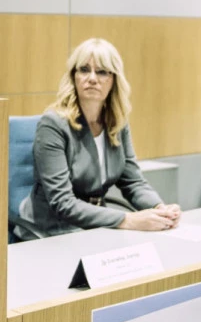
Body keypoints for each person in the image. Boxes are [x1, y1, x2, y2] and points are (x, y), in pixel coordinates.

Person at [15, 38, 181, 240]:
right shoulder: (53, 124)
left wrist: (159, 209)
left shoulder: (117, 122)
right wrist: (128, 219)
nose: (92, 78)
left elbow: (133, 182)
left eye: (102, 72)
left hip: (94, 228)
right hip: (51, 231)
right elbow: (63, 202)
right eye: (84, 70)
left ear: (114, 80)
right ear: (74, 76)